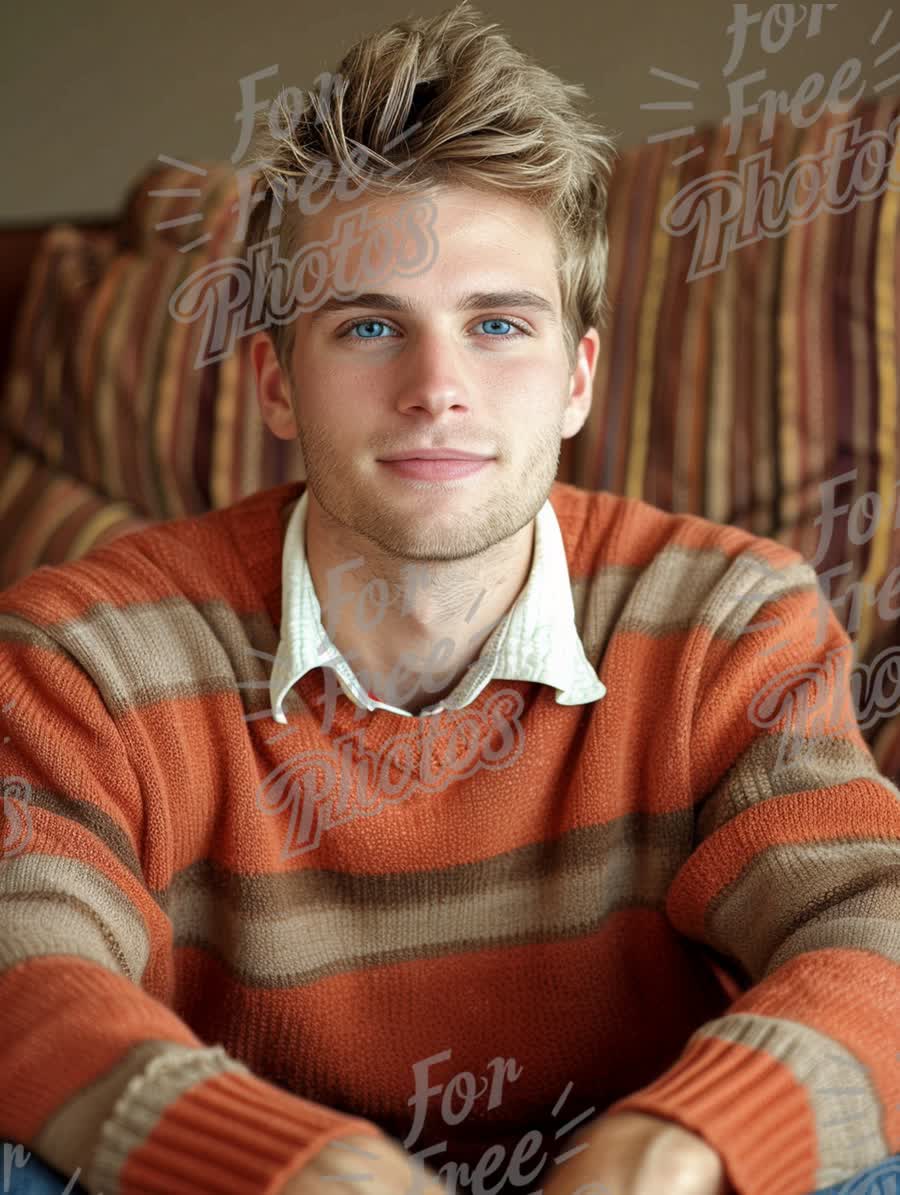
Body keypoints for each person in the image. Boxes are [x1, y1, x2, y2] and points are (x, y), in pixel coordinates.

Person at [1, 4, 899, 1194]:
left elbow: (870, 918)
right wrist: (285, 1164)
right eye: (371, 325)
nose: (438, 390)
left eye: (497, 325)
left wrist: (686, 1143)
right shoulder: (82, 650)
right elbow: (27, 959)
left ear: (576, 379)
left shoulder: (729, 620)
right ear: (276, 382)